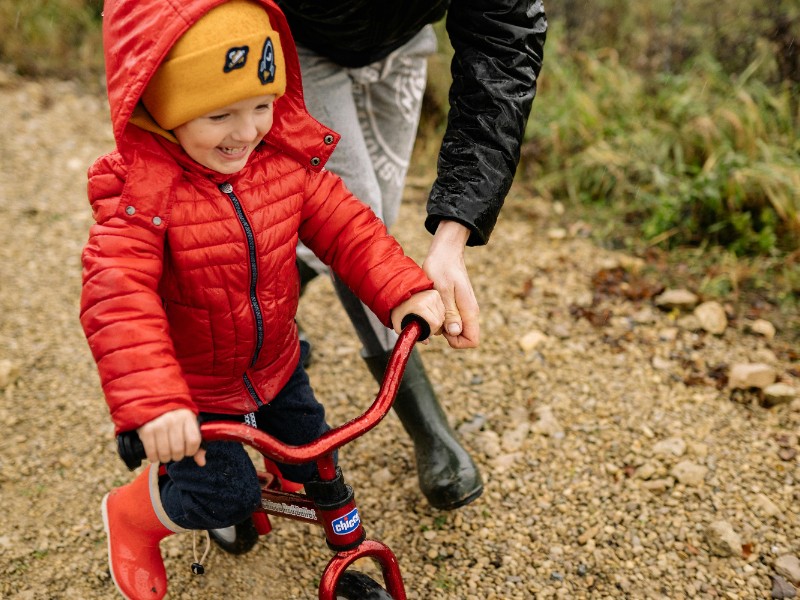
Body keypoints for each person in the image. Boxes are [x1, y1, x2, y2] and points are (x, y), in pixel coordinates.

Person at [79, 1, 447, 598]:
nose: (247, 131)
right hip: (195, 394)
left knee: (314, 457)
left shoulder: (280, 163)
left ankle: (308, 505)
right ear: (160, 109)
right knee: (222, 494)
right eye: (219, 114)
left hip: (275, 365)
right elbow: (118, 299)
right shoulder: (141, 199)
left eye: (260, 105)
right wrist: (156, 404)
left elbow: (347, 227)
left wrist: (402, 289)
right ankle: (133, 514)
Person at [280, 0, 548, 510]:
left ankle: (265, 307)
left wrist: (453, 236)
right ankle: (426, 425)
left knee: (373, 206)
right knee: (357, 216)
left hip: (400, 43)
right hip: (294, 36)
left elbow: (504, 45)